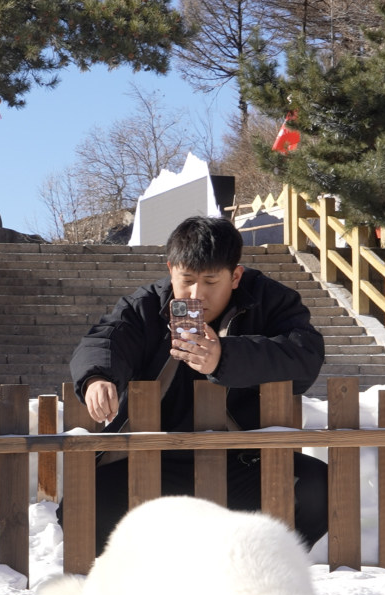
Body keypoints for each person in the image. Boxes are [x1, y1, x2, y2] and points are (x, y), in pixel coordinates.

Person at [69, 216, 329, 554]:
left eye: (210, 281)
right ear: (170, 268)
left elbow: (304, 355)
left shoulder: (272, 301)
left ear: (235, 276)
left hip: (245, 459)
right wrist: (96, 376)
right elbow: (107, 338)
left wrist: (226, 358)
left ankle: (254, 573)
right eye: (186, 279)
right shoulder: (146, 305)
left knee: (321, 487)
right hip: (155, 456)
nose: (196, 294)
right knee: (82, 502)